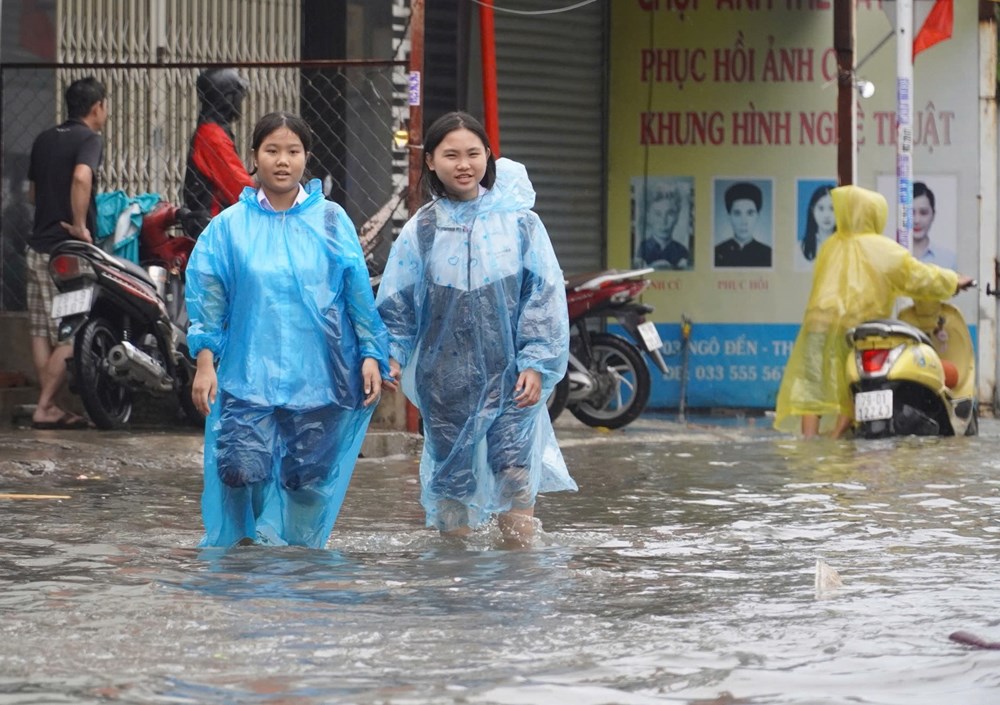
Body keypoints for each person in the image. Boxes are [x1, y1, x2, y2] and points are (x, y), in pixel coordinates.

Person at [185, 111, 394, 549]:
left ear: (306, 158)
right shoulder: (228, 228)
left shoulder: (332, 221)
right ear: (254, 158)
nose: (283, 161)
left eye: (293, 151)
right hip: (246, 379)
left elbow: (357, 294)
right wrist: (205, 363)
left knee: (306, 481)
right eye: (272, 150)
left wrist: (372, 354)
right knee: (240, 469)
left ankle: (294, 566)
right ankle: (249, 550)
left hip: (319, 379)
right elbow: (208, 299)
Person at [375, 111, 577, 546]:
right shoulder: (421, 230)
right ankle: (455, 590)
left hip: (513, 377)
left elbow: (543, 296)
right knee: (451, 482)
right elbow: (398, 305)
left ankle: (519, 581)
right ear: (430, 161)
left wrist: (537, 362)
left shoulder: (521, 223)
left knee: (514, 472)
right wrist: (391, 355)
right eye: (451, 155)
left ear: (489, 156)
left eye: (473, 153)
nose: (463, 164)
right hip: (445, 379)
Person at [773, 184, 974, 439]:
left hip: (818, 325)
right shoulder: (883, 249)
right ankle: (836, 437)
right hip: (858, 328)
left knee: (813, 386)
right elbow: (919, 276)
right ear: (874, 214)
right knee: (854, 384)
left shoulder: (829, 246)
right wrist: (954, 281)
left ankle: (810, 442)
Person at [25, 76, 108, 429]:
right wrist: (79, 225)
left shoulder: (44, 139)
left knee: (42, 330)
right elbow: (81, 178)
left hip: (36, 247)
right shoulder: (90, 138)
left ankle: (52, 405)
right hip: (68, 254)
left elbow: (32, 193)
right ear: (97, 108)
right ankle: (45, 406)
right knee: (76, 330)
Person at [182, 68, 255, 239]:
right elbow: (238, 186)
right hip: (214, 226)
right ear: (227, 98)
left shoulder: (212, 130)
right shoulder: (212, 136)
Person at [714, 181, 772, 268]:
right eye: (737, 214)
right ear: (729, 217)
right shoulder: (716, 253)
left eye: (750, 213)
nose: (743, 222)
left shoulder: (769, 254)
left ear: (758, 216)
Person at [635, 181, 691, 269]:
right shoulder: (641, 249)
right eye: (658, 214)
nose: (663, 222)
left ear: (677, 217)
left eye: (670, 214)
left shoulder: (682, 252)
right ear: (648, 216)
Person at [912, 181, 957, 269]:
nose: (916, 220)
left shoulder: (949, 260)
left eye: (923, 213)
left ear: (933, 215)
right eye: (910, 213)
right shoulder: (891, 257)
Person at [799, 184, 835, 262]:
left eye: (832, 209)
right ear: (812, 211)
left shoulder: (848, 247)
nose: (826, 215)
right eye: (821, 208)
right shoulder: (800, 249)